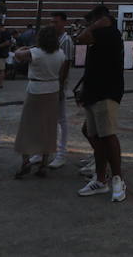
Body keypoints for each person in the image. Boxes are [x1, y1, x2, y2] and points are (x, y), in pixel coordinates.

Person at [76, 4, 126, 202]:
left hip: (106, 92)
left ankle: (117, 179)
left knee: (108, 135)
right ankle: (100, 179)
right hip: (94, 92)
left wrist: (96, 24)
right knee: (96, 136)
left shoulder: (109, 33)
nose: (88, 25)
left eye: (91, 21)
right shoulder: (103, 33)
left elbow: (81, 38)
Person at [12, 25, 68, 179]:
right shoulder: (60, 53)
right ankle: (44, 163)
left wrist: (26, 47)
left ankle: (26, 161)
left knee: (28, 127)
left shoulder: (35, 52)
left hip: (36, 89)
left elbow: (17, 54)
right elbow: (62, 73)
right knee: (48, 127)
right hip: (53, 89)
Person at [49, 12, 76, 168]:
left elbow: (66, 65)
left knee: (61, 119)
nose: (53, 25)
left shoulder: (66, 40)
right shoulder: (54, 39)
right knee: (50, 119)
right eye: (52, 22)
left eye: (56, 22)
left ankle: (61, 154)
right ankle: (45, 151)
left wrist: (60, 85)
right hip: (50, 82)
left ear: (64, 23)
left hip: (57, 84)